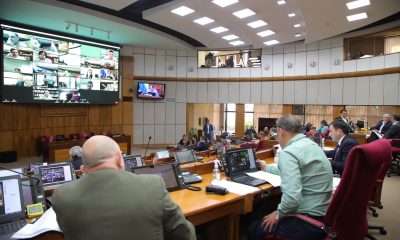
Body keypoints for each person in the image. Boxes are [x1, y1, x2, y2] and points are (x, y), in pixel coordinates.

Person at [52, 135, 195, 240]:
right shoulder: (152, 185)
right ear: (120, 159)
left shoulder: (62, 196)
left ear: (83, 168)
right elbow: (185, 234)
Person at [249, 115, 332, 240]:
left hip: (306, 222)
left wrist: (278, 214)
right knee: (263, 210)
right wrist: (267, 168)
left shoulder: (289, 152)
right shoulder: (310, 144)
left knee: (252, 228)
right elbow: (296, 171)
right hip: (322, 215)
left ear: (281, 131)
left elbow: (292, 197)